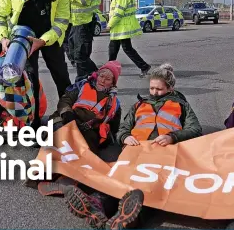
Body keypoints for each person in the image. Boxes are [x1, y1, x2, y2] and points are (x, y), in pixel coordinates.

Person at [59, 64, 202, 230]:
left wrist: (172, 137)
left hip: (165, 150)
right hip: (136, 148)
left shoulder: (181, 105)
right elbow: (123, 129)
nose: (154, 92)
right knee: (120, 178)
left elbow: (195, 129)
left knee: (152, 187)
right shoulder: (139, 105)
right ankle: (96, 205)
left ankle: (127, 221)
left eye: (159, 89)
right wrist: (125, 138)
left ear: (170, 88)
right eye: (152, 88)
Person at [0, 0, 72, 129]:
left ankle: (70, 116)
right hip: (23, 37)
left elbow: (62, 21)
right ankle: (33, 123)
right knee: (30, 81)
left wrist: (43, 41)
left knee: (62, 77)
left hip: (49, 36)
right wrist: (3, 38)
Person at [48, 60, 122, 155]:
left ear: (112, 83)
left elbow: (114, 127)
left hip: (89, 128)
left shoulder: (114, 103)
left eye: (107, 79)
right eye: (101, 76)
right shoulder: (83, 85)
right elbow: (66, 99)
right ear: (97, 76)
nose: (102, 81)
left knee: (85, 152)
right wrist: (67, 113)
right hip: (69, 119)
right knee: (59, 136)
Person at [107, 0, 151, 78]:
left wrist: (110, 24)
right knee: (115, 49)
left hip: (121, 27)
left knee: (124, 49)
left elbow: (118, 12)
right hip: (120, 27)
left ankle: (143, 66)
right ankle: (109, 69)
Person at [68, 0, 102, 81]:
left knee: (80, 56)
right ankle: (89, 78)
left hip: (85, 23)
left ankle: (91, 78)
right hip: (75, 23)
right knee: (74, 54)